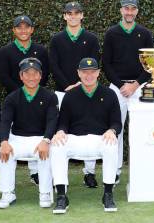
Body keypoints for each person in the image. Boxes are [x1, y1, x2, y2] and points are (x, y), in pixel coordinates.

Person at [51, 58, 121, 213]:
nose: (88, 75)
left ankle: (108, 194)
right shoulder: (70, 95)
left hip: (100, 138)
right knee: (56, 145)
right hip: (75, 139)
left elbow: (117, 123)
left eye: (92, 72)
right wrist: (61, 131)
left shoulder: (109, 94)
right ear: (78, 73)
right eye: (84, 72)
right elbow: (63, 122)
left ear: (98, 73)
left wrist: (112, 130)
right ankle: (62, 196)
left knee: (112, 144)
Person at [49, 1, 100, 188]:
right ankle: (60, 176)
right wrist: (68, 86)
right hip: (63, 91)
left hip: (87, 91)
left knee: (89, 127)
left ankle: (90, 173)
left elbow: (94, 64)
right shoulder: (56, 39)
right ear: (64, 16)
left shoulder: (91, 38)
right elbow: (53, 65)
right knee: (61, 130)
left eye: (76, 12)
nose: (72, 16)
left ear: (82, 15)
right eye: (68, 13)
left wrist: (80, 85)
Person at [102, 0, 153, 181]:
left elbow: (150, 64)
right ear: (121, 11)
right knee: (116, 129)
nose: (129, 12)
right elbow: (106, 64)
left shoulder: (145, 33)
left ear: (137, 11)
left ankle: (142, 167)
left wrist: (135, 85)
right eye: (126, 9)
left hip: (139, 87)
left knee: (141, 129)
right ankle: (114, 171)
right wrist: (121, 85)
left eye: (133, 9)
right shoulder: (111, 33)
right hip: (117, 88)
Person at [0, 58, 58, 209]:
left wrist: (46, 140)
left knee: (46, 152)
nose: (31, 77)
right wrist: (3, 141)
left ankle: (45, 193)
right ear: (21, 76)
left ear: (41, 75)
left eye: (35, 73)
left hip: (40, 138)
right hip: (18, 138)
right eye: (27, 74)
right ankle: (7, 193)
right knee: (5, 152)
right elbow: (4, 121)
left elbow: (52, 121)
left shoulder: (50, 96)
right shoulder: (12, 97)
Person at [0, 15, 49, 184]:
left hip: (36, 96)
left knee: (36, 130)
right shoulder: (6, 51)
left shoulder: (41, 50)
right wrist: (21, 93)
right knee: (17, 132)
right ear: (14, 30)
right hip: (15, 97)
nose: (23, 30)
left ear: (32, 29)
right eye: (19, 27)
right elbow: (4, 76)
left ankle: (36, 172)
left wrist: (32, 92)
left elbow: (45, 73)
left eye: (26, 27)